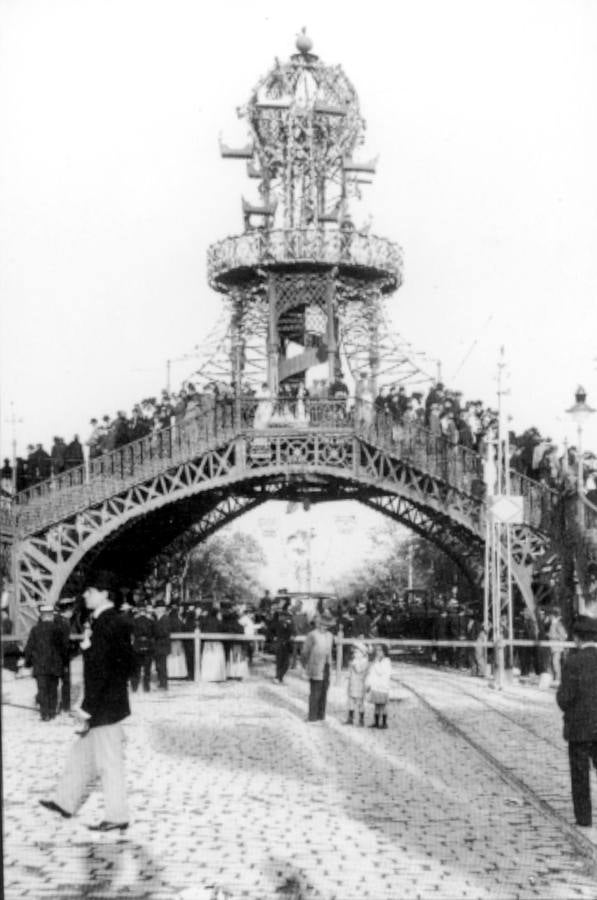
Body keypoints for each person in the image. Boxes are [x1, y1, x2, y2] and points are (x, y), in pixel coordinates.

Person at [39, 570, 135, 831]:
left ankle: (117, 815)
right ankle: (64, 801)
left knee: (109, 762)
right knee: (81, 756)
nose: (85, 595)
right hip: (108, 702)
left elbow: (102, 670)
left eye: (89, 591)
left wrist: (87, 707)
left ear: (104, 593)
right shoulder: (113, 620)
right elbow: (126, 663)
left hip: (103, 706)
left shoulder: (106, 623)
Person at [556, 615, 597, 829]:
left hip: (579, 727)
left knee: (580, 773)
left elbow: (565, 698)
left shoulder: (573, 662)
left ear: (578, 638)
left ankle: (584, 818)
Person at [24, 604, 68, 721]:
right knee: (53, 689)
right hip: (55, 665)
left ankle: (44, 714)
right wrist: (65, 662)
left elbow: (29, 647)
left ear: (42, 616)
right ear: (51, 615)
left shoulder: (35, 630)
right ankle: (52, 712)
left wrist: (27, 662)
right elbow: (63, 648)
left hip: (40, 665)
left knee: (42, 689)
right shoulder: (58, 630)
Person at [301, 614, 334, 723]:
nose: (324, 627)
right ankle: (312, 716)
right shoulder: (312, 635)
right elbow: (305, 651)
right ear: (318, 624)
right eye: (322, 624)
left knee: (324, 690)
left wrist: (330, 664)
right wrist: (305, 665)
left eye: (326, 625)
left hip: (326, 665)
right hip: (315, 665)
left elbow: (330, 651)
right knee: (315, 692)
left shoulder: (330, 635)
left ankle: (321, 715)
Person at [365, 643, 392, 729]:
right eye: (377, 650)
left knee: (383, 705)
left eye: (380, 650)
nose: (378, 652)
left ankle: (384, 723)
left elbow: (381, 671)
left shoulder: (387, 662)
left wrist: (375, 663)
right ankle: (376, 722)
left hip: (383, 687)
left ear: (384, 652)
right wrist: (369, 683)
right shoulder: (376, 661)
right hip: (376, 686)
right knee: (376, 705)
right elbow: (372, 673)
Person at [131, 603, 155, 692]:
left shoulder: (134, 620)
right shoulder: (150, 620)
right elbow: (153, 633)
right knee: (147, 669)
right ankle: (146, 687)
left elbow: (132, 632)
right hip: (148, 645)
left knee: (136, 668)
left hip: (137, 645)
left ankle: (134, 687)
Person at [345, 641, 369, 726]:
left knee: (360, 702)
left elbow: (359, 670)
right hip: (353, 683)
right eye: (354, 652)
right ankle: (350, 718)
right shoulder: (354, 660)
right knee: (351, 700)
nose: (355, 654)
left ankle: (361, 719)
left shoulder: (364, 661)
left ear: (362, 653)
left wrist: (354, 664)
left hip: (360, 683)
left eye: (357, 652)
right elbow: (350, 672)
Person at [272, 597, 295, 684]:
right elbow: (271, 629)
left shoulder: (289, 622)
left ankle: (279, 677)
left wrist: (293, 635)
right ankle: (278, 677)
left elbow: (293, 630)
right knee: (280, 661)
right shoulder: (277, 622)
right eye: (281, 616)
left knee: (286, 663)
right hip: (279, 643)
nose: (282, 617)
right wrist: (273, 637)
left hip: (287, 643)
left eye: (284, 616)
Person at [153, 601, 171, 690]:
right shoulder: (158, 619)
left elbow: (164, 632)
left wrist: (154, 633)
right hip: (158, 646)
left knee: (162, 666)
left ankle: (164, 684)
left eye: (156, 609)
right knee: (158, 666)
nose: (155, 610)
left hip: (162, 645)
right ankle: (161, 683)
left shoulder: (165, 619)